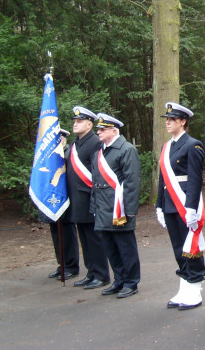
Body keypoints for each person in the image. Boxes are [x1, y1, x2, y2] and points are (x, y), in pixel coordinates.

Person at [155, 102, 205, 310]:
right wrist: (159, 205)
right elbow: (162, 178)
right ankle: (184, 286)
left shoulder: (193, 145)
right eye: (167, 119)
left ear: (183, 121)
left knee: (190, 247)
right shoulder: (166, 147)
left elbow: (194, 180)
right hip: (169, 203)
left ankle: (195, 288)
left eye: (172, 119)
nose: (168, 123)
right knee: (178, 248)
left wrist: (192, 208)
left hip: (185, 203)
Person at [90, 112, 141, 299]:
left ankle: (131, 281)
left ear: (114, 131)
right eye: (98, 129)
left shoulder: (126, 150)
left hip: (118, 209)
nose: (99, 132)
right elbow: (95, 183)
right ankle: (119, 279)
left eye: (103, 129)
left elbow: (132, 182)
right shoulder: (99, 152)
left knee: (126, 247)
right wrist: (93, 207)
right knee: (110, 248)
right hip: (102, 208)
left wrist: (129, 211)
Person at [66, 106, 110, 290]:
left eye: (79, 121)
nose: (75, 124)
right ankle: (91, 271)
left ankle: (101, 274)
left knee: (94, 238)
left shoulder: (94, 143)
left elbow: (97, 171)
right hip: (77, 199)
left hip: (89, 198)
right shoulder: (75, 143)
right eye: (75, 121)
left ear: (90, 124)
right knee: (84, 237)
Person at [46, 128, 80, 280]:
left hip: (65, 200)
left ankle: (71, 265)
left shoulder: (68, 154)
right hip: (53, 200)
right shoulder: (50, 156)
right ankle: (62, 264)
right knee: (56, 233)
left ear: (62, 139)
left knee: (67, 233)